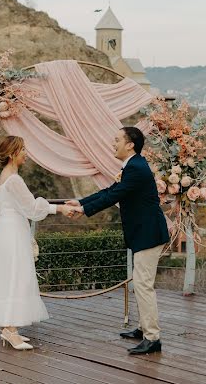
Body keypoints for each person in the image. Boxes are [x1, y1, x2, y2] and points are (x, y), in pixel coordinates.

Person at [0, 135, 79, 350]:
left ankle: (8, 327)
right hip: (13, 232)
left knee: (9, 276)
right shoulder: (14, 179)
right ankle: (10, 330)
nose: (26, 153)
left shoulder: (5, 176)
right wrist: (60, 208)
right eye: (23, 149)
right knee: (15, 277)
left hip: (6, 229)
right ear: (13, 153)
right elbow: (31, 209)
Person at [65, 126, 169, 355]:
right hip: (143, 232)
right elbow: (109, 190)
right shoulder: (133, 166)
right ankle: (143, 329)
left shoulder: (136, 169)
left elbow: (113, 196)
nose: (113, 144)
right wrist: (80, 202)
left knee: (143, 284)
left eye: (117, 140)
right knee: (141, 283)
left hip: (149, 233)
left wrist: (83, 210)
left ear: (130, 144)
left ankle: (153, 338)